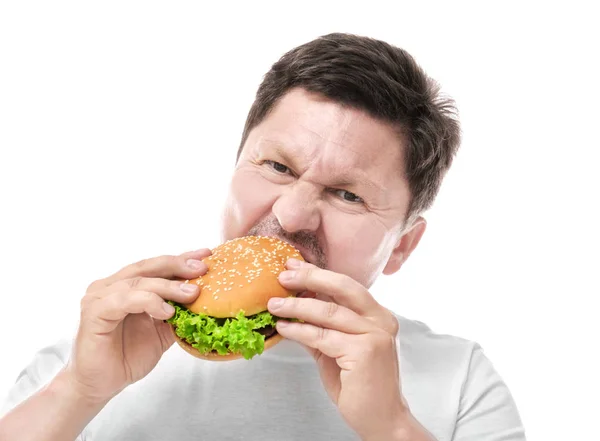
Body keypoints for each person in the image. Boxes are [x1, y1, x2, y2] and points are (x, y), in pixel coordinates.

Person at [0, 32, 526, 441]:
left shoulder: (460, 381)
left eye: (348, 195)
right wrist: (78, 392)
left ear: (403, 245)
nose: (293, 215)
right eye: (277, 166)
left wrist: (392, 427)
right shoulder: (86, 358)